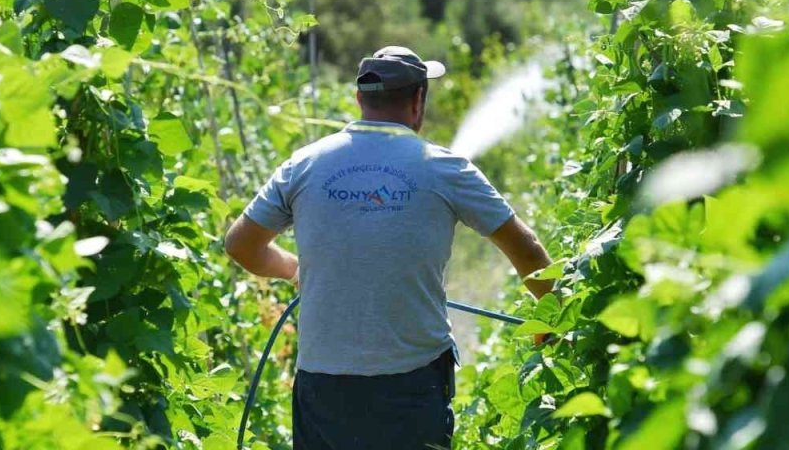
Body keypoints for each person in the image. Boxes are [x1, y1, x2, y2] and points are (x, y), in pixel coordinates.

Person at [224, 45, 555, 450]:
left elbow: (241, 245)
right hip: (412, 387)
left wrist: (294, 270)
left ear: (359, 99)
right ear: (418, 101)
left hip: (323, 389)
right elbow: (526, 249)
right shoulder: (446, 168)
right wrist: (554, 318)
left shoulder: (303, 165)